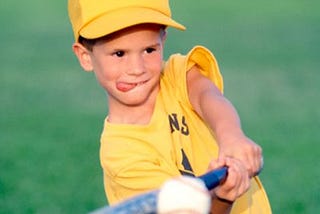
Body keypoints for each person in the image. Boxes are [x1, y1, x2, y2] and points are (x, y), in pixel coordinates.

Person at [68, 0, 272, 213]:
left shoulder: (176, 74)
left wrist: (231, 136)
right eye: (119, 54)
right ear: (85, 57)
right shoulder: (121, 156)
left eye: (149, 50)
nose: (137, 69)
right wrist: (223, 198)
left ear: (162, 40)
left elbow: (207, 95)